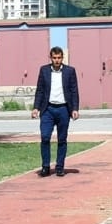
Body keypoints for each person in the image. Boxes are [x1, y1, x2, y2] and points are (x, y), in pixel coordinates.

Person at [31, 46, 80, 178]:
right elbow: (40, 90)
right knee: (45, 137)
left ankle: (59, 167)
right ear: (51, 58)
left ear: (62, 58)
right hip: (48, 109)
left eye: (59, 58)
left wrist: (75, 109)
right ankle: (45, 166)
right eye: (54, 58)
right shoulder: (44, 70)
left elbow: (74, 91)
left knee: (62, 139)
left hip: (64, 109)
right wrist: (36, 107)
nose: (57, 60)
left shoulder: (70, 71)